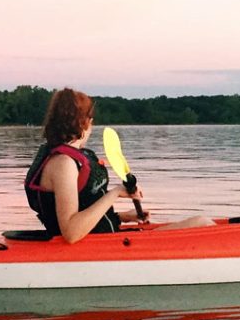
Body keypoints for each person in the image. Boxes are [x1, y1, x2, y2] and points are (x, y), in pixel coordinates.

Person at [25, 88, 213, 243]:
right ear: (86, 122)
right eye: (91, 120)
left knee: (203, 223)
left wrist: (123, 217)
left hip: (109, 238)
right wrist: (114, 193)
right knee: (203, 223)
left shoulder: (67, 158)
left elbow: (85, 211)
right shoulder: (64, 164)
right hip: (99, 247)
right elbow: (72, 232)